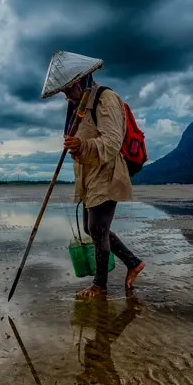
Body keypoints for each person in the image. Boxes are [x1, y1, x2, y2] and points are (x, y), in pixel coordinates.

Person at [62, 73, 145, 299]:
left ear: (80, 82)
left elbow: (112, 141)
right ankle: (133, 263)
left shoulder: (106, 98)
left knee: (98, 227)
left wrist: (82, 145)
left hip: (107, 170)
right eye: (63, 92)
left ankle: (100, 285)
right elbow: (78, 138)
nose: (66, 96)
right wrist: (74, 144)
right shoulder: (77, 106)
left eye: (68, 89)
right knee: (92, 228)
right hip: (89, 173)